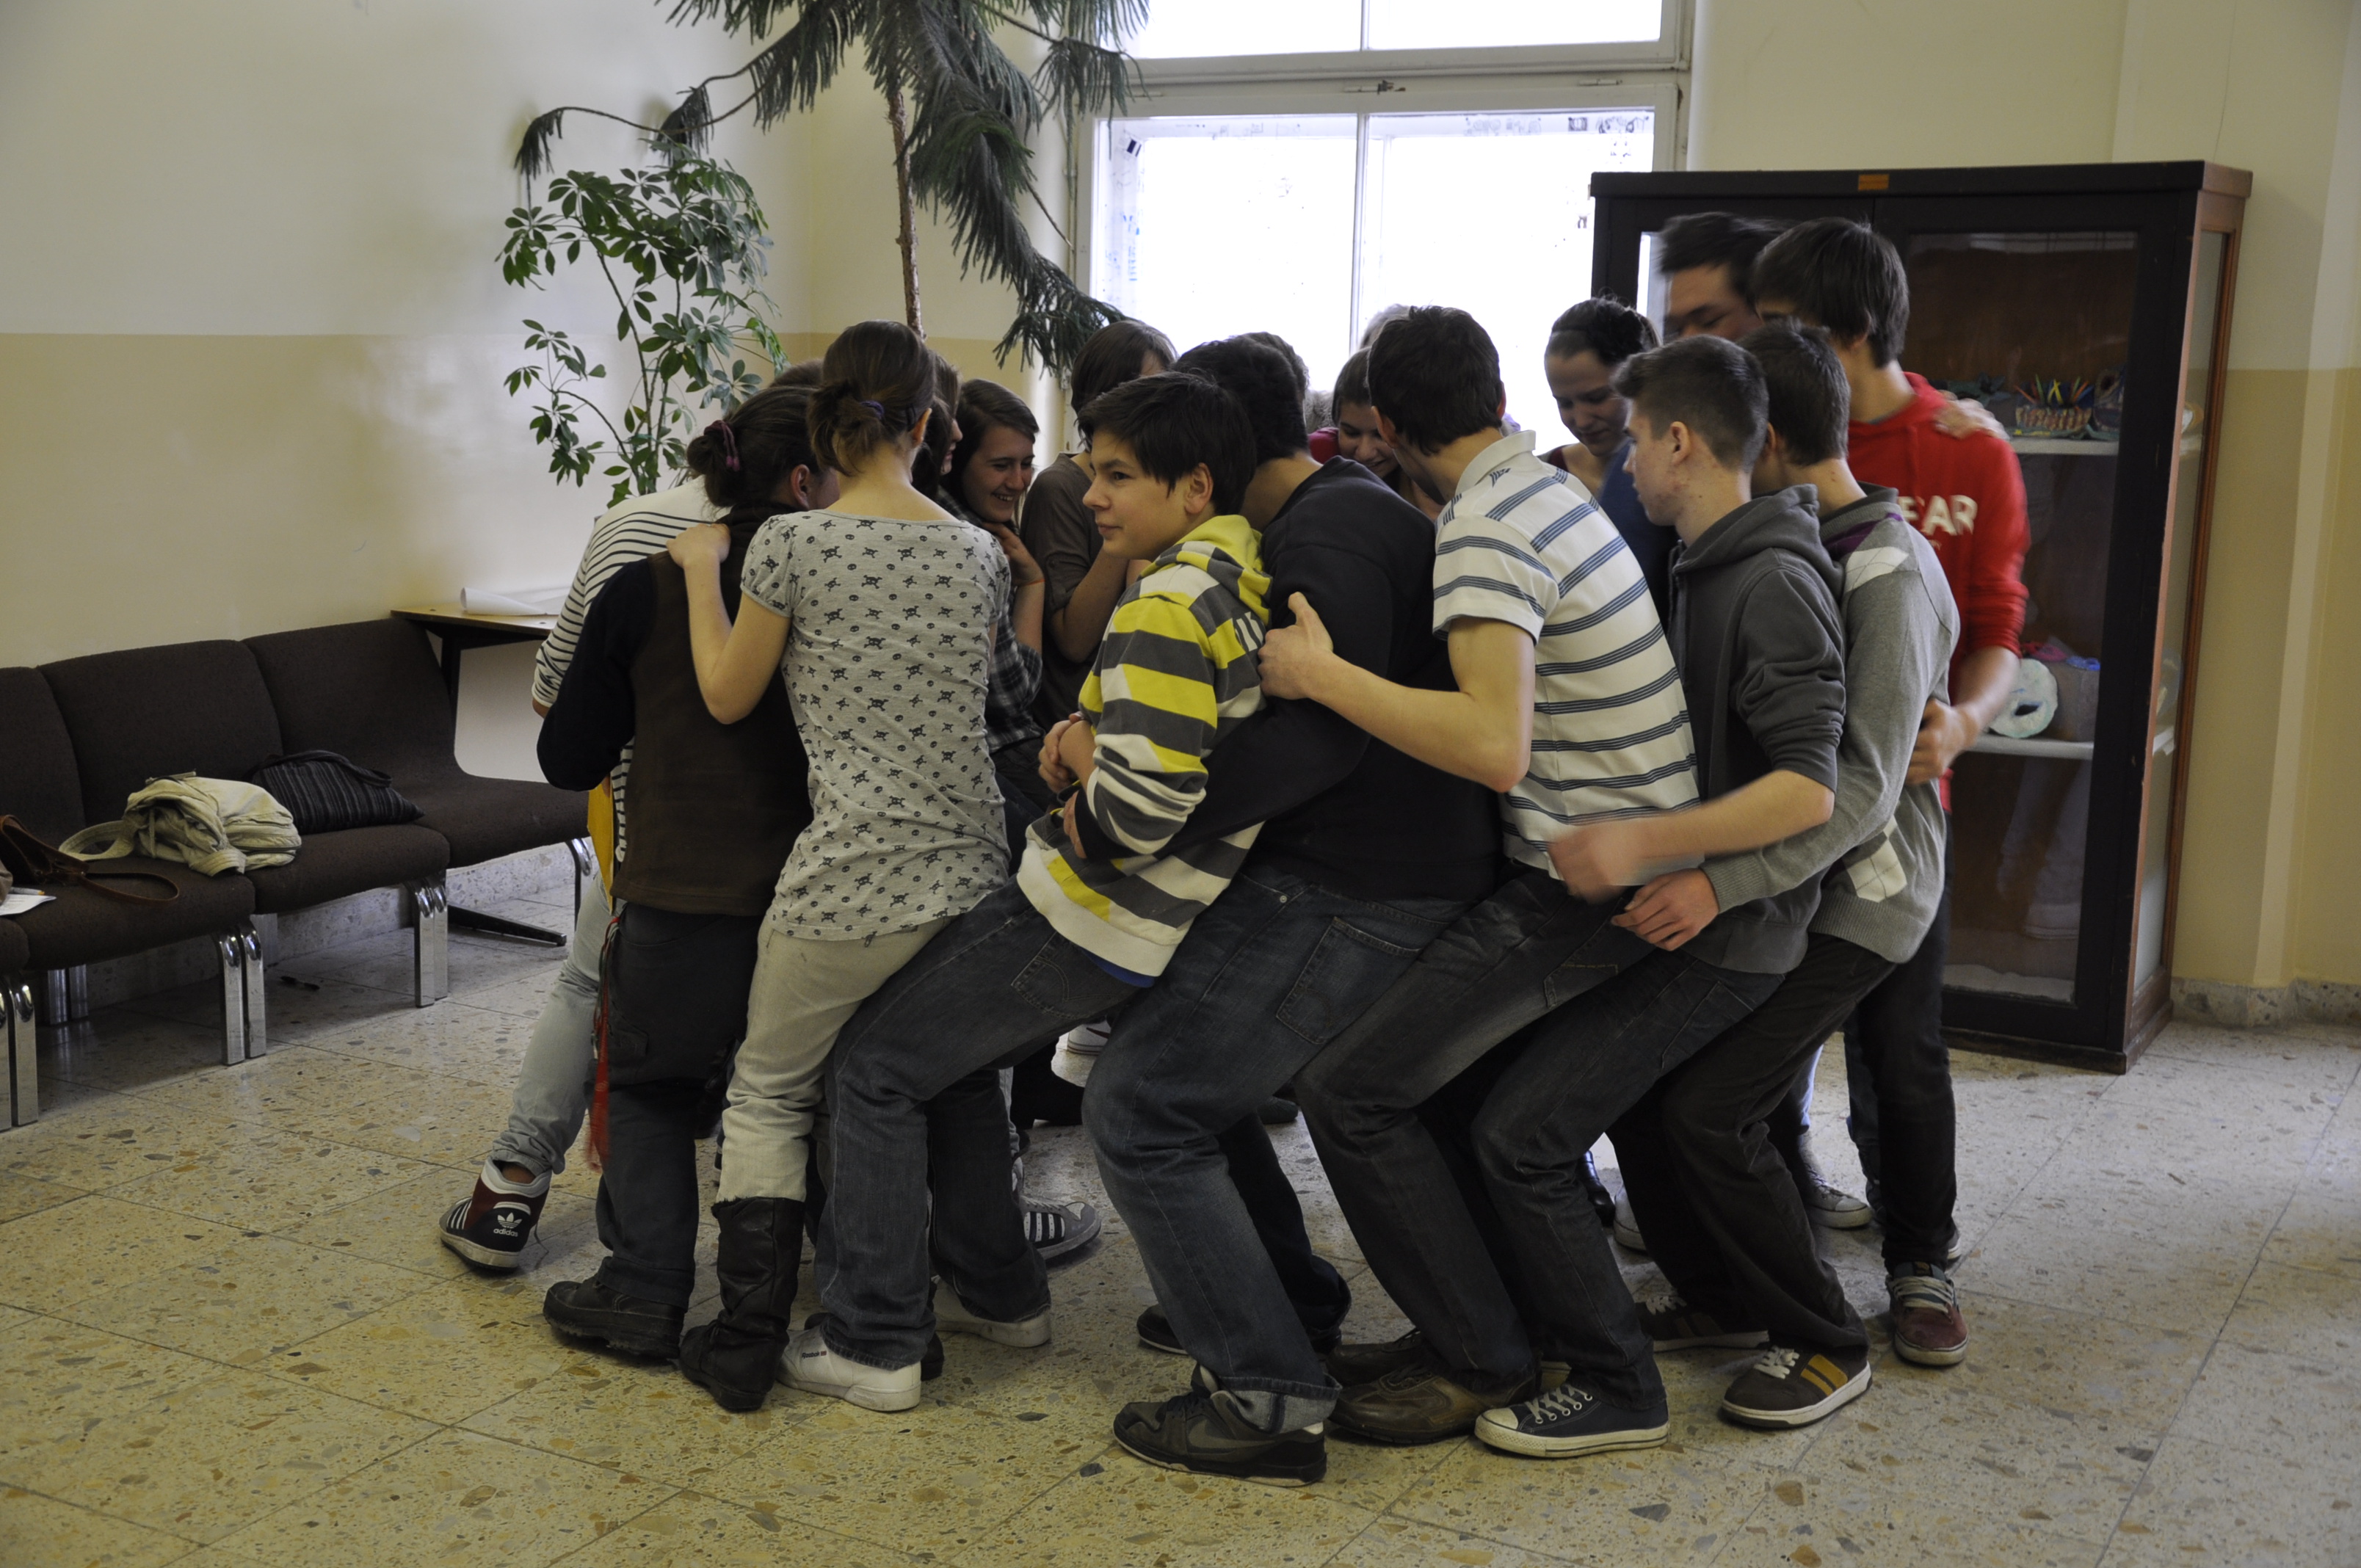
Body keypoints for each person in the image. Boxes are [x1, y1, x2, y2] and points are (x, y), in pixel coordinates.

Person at [780, 371, 1266, 1417]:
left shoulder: (1166, 606)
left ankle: (874, 1339)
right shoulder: (1232, 577)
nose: (1092, 497)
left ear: (1195, 486)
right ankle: (998, 1292)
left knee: (871, 1071)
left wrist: (1078, 760)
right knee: (949, 1066)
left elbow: (1136, 818)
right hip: (1122, 920)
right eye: (1094, 472)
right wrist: (1085, 737)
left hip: (1086, 914)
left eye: (1118, 477)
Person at [1254, 305, 1697, 1442]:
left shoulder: (1488, 527)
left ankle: (1499, 1359)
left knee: (1348, 1092)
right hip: (1623, 849)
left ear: (1392, 431)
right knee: (1437, 1091)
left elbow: (1495, 744)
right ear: (1497, 397)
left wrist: (1319, 674)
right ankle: (1489, 1329)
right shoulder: (1548, 490)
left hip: (1589, 877)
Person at [1080, 336, 1502, 1485]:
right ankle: (1285, 1302)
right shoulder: (1340, 507)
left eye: (1129, 464)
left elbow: (1319, 741)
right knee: (1167, 1063)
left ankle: (1264, 1397)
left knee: (1139, 1102)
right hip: (1363, 869)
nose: (1107, 487)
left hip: (1365, 885)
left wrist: (1133, 815)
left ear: (1206, 456)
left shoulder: (1324, 537)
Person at [1443, 333, 1848, 1460]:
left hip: (1734, 933)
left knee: (1557, 1131)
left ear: (1678, 443)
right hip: (1683, 911)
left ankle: (1775, 1352)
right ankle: (1707, 1305)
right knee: (1631, 1116)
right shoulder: (1700, 559)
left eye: (1630, 442)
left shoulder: (1772, 579)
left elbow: (1809, 790)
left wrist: (1647, 849)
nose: (1620, 463)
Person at [1606, 322, 1956, 1429]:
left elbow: (1858, 790)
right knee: (1653, 1086)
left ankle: (1824, 1337)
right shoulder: (1783, 545)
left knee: (1717, 1108)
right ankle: (1720, 1296)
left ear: (1759, 441)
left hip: (1861, 897)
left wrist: (1720, 883)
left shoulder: (1885, 566)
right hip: (1788, 882)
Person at [664, 319, 1012, 1412]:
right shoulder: (978, 551)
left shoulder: (791, 545)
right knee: (951, 1081)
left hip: (853, 877)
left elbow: (728, 695)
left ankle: (755, 1338)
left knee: (769, 1091)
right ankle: (1005, 1295)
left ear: (825, 422)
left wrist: (699, 576)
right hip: (973, 870)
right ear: (930, 425)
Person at [436, 360, 825, 1271]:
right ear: (811, 474)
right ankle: (796, 1262)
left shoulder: (634, 532)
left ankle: (514, 1197)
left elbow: (555, 709)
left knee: (596, 994)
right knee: (786, 1065)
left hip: (655, 839)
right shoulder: (843, 555)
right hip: (812, 850)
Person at [1750, 217, 2030, 1365]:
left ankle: (1920, 1258)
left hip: (1899, 815)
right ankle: (1770, 1249)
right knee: (1758, 1040)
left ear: (1848, 332)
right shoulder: (1762, 440)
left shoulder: (1967, 447)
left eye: (1784, 326)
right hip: (1776, 801)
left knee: (1901, 1049)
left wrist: (1962, 724)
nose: (1763, 345)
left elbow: (2003, 623)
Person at [531, 385, 823, 1357]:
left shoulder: (647, 587)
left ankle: (644, 1288)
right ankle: (822, 1290)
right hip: (822, 891)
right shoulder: (848, 582)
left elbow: (568, 757)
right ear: (808, 480)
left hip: (681, 891)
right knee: (804, 1095)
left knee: (651, 1089)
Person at [1020, 319, 1175, 727]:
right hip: (1073, 723)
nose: (1157, 410)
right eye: (1143, 393)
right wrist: (1125, 517)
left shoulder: (1163, 482)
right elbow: (1073, 640)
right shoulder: (1060, 488)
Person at [1539, 297, 1670, 620]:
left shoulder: (1679, 481)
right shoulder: (1541, 477)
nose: (1582, 420)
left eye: (1597, 398)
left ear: (1640, 381)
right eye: (1564, 404)